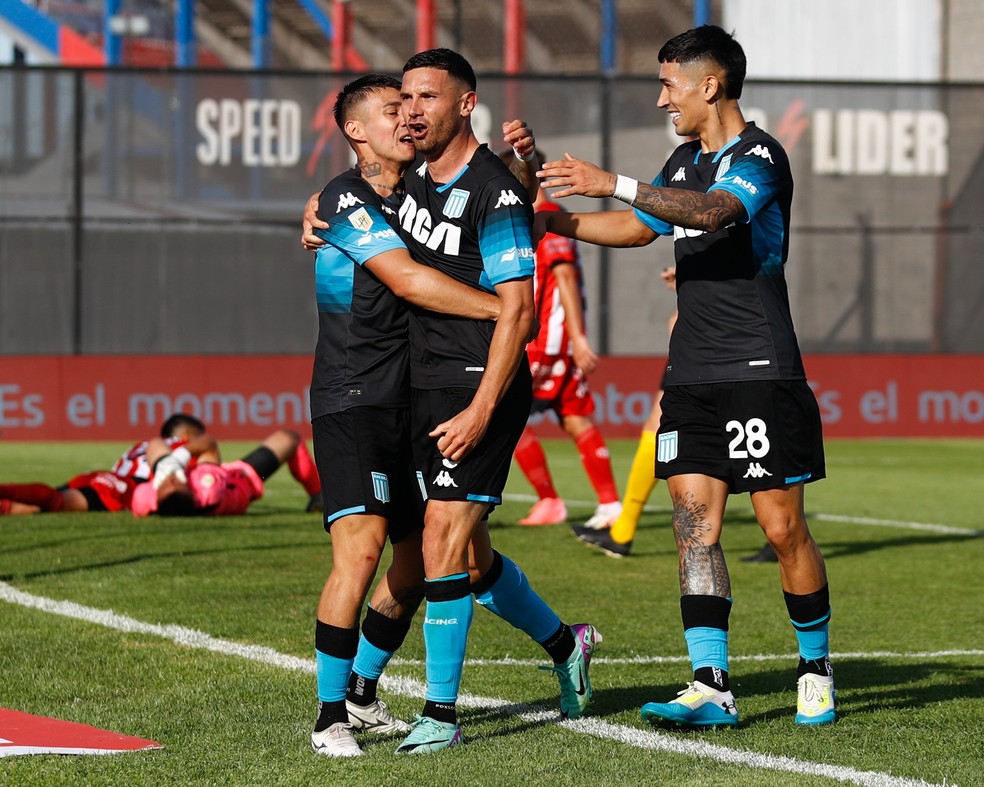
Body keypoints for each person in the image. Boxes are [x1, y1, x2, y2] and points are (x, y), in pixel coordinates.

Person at [536, 25, 835, 728]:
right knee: (693, 526)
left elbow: (715, 213)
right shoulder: (682, 157)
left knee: (781, 525)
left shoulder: (759, 156)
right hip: (692, 370)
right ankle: (711, 684)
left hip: (759, 365)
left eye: (671, 83)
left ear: (711, 85)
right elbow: (641, 227)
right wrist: (554, 220)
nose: (662, 96)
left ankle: (815, 665)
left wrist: (612, 180)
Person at [300, 71, 598, 757]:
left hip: (433, 392)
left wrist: (523, 162)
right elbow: (410, 277)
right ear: (354, 130)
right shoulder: (350, 198)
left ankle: (413, 702)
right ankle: (335, 711)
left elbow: (492, 202)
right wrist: (506, 311)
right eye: (392, 108)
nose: (407, 117)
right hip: (358, 399)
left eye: (416, 103)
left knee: (437, 551)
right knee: (411, 552)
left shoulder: (414, 189)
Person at [393, 49, 602, 754]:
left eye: (428, 95)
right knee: (472, 559)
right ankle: (565, 643)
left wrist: (483, 409)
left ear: (465, 102)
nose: (412, 108)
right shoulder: (412, 180)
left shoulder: (497, 193)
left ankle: (438, 715)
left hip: (481, 386)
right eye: (405, 96)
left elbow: (518, 309)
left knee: (441, 538)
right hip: (424, 384)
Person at [496, 148, 622, 530]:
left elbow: (564, 278)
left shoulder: (543, 218)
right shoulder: (537, 218)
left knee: (502, 415)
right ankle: (610, 503)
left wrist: (579, 339)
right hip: (553, 343)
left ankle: (551, 500)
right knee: (574, 417)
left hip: (543, 343)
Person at [572, 268, 677, 557]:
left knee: (661, 429)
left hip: (717, 349)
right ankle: (622, 531)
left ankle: (784, 531)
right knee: (657, 427)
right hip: (699, 346)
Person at [0, 413, 207, 516]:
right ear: (188, 435)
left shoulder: (142, 444)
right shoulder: (183, 447)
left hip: (105, 478)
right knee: (56, 502)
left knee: (46, 503)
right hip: (126, 487)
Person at [131, 428, 321, 517]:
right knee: (289, 439)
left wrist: (165, 465)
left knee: (159, 452)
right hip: (243, 479)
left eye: (166, 484)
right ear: (191, 493)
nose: (170, 479)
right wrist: (180, 456)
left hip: (219, 480)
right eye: (175, 484)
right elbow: (209, 445)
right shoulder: (208, 489)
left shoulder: (146, 499)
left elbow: (154, 443)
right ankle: (318, 495)